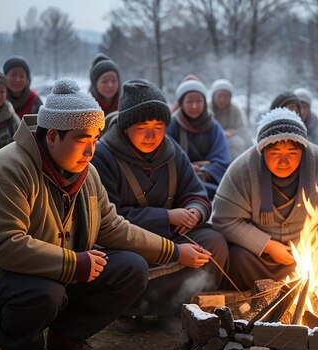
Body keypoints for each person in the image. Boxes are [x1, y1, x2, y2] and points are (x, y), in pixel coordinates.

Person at [0, 79, 206, 350]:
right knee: (45, 292)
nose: (91, 149)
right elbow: (6, 246)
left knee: (131, 268)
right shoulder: (7, 170)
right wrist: (76, 263)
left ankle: (67, 336)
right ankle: (15, 348)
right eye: (81, 139)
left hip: (62, 266)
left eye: (96, 139)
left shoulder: (87, 173)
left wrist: (174, 251)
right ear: (52, 136)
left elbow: (112, 226)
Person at [92, 79, 228, 332]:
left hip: (172, 236)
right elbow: (107, 220)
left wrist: (194, 212)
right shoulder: (104, 155)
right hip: (127, 242)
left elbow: (195, 192)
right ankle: (129, 308)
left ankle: (176, 306)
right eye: (142, 126)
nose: (151, 134)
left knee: (214, 244)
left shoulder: (172, 151)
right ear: (125, 127)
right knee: (126, 263)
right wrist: (166, 216)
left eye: (158, 126)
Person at [212, 107, 318, 290]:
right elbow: (223, 218)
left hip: (315, 257)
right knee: (237, 257)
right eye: (275, 154)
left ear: (302, 149)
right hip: (264, 261)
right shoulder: (243, 169)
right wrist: (267, 246)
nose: (284, 162)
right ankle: (266, 295)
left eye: (292, 153)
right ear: (262, 150)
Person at [167, 75, 231, 200]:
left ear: (205, 102)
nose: (195, 106)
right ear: (181, 103)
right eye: (189, 101)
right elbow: (167, 157)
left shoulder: (213, 126)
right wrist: (188, 167)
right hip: (180, 181)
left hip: (208, 180)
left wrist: (205, 172)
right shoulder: (172, 125)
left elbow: (223, 159)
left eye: (199, 101)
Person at [209, 78, 251, 160]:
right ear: (213, 96)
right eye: (219, 96)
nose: (222, 99)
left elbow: (242, 130)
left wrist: (231, 132)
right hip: (210, 140)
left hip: (229, 140)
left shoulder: (235, 109)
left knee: (237, 142)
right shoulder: (207, 108)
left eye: (226, 96)